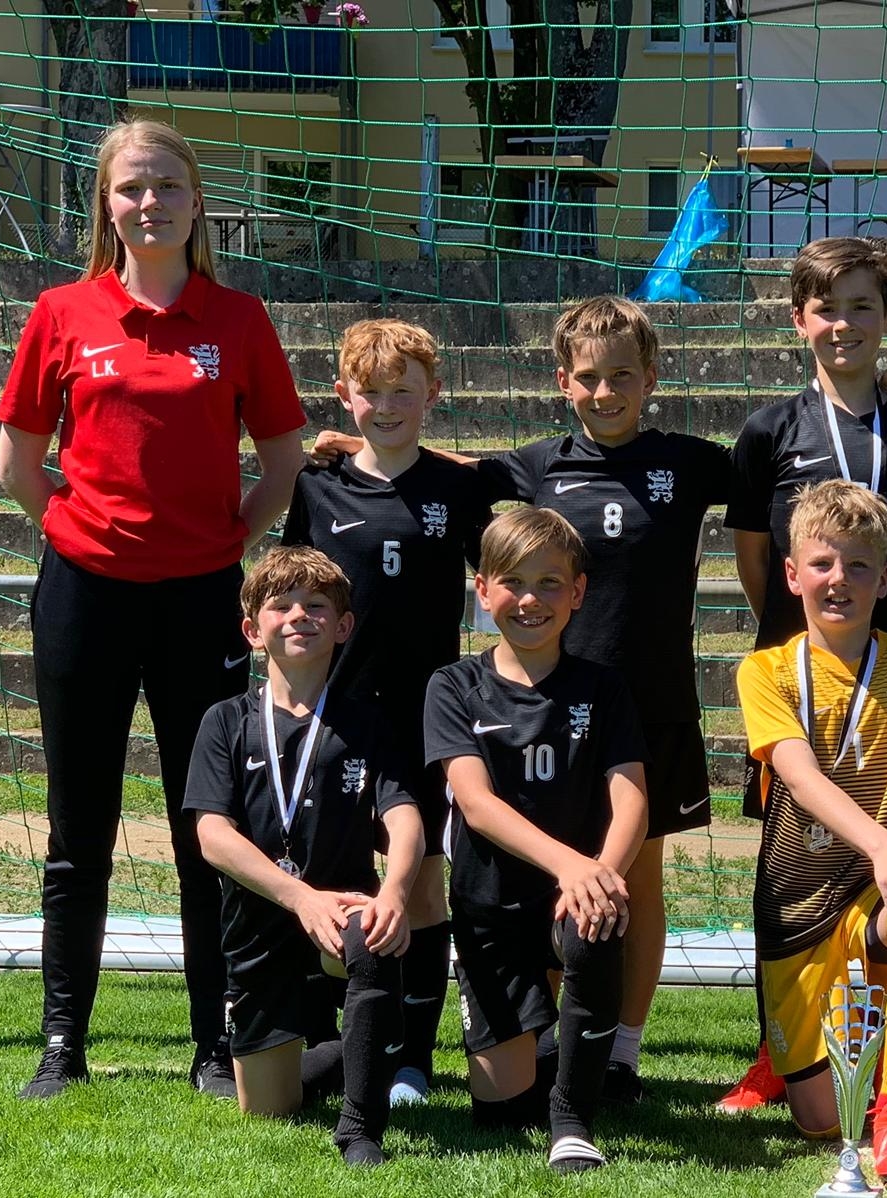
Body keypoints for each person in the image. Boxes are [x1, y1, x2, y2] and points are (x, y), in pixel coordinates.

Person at [311, 296, 730, 1100]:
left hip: (653, 705)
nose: (605, 392)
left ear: (651, 377)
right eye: (588, 377)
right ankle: (548, 1048)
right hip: (547, 704)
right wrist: (357, 444)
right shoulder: (539, 464)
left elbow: (781, 481)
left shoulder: (693, 461)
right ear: (562, 381)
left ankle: (620, 1054)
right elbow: (446, 473)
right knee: (544, 877)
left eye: (622, 376)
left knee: (637, 881)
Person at [0, 118, 306, 1100]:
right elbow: (18, 467)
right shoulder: (61, 312)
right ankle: (62, 1045)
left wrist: (221, 544)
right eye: (131, 187)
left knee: (203, 825)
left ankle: (216, 1045)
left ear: (197, 199)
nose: (150, 202)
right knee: (77, 828)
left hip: (201, 602)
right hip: (84, 599)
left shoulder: (239, 320)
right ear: (107, 203)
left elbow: (283, 463)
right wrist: (84, 536)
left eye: (167, 184)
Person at [721, 235, 887, 1112]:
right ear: (798, 318)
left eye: (862, 307)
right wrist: (806, 639)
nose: (843, 323)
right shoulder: (768, 430)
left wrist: (866, 624)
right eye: (826, 307)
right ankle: (778, 1050)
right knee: (790, 860)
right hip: (799, 677)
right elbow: (756, 561)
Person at [282, 318, 492, 1106]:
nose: (388, 405)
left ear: (432, 394)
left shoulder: (458, 490)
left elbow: (500, 569)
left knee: (422, 884)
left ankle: (410, 1058)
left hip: (424, 719)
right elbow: (288, 591)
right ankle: (330, 1041)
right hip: (334, 718)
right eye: (371, 392)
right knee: (329, 878)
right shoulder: (316, 486)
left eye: (404, 391)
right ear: (346, 394)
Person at [735, 479, 887, 1184]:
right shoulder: (765, 670)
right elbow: (800, 777)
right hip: (798, 901)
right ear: (792, 574)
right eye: (823, 563)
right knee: (821, 1120)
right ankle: (809, 1054)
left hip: (874, 889)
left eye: (860, 565)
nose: (840, 580)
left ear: (885, 579)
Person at [423, 507, 649, 1173]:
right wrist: (573, 864)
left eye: (550, 583)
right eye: (514, 582)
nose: (531, 600)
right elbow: (475, 804)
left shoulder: (602, 687)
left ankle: (572, 1121)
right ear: (483, 589)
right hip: (489, 909)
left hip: (568, 902)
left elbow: (633, 799)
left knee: (595, 925)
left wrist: (601, 876)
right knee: (500, 1112)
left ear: (578, 592)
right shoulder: (453, 685)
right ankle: (557, 1051)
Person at [186, 547, 424, 1167]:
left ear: (343, 626)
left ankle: (360, 1128)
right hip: (262, 923)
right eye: (281, 606)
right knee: (269, 1109)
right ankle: (358, 1050)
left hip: (343, 913)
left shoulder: (367, 722)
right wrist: (299, 898)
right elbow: (212, 835)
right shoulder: (224, 721)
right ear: (252, 630)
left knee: (372, 938)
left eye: (316, 605)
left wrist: (396, 891)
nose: (299, 616)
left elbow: (404, 817)